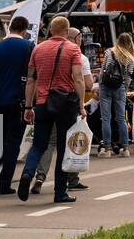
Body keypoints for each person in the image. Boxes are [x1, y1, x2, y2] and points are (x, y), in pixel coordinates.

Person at [17, 16, 86, 204]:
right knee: (63, 148)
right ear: (67, 30)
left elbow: (31, 79)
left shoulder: (38, 49)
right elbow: (78, 78)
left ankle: (27, 174)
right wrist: (81, 104)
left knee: (39, 144)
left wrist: (28, 106)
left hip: (42, 102)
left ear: (51, 30)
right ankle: (59, 192)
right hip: (66, 104)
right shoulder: (73, 49)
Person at [0, 16, 33, 195]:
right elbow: (32, 77)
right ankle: (5, 183)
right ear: (25, 30)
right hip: (18, 102)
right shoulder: (28, 47)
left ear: (9, 28)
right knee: (13, 143)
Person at [96, 32, 134, 157]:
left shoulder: (110, 52)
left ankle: (107, 149)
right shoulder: (130, 58)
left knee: (106, 119)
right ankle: (125, 148)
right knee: (121, 119)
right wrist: (124, 88)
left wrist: (100, 83)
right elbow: (129, 77)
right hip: (120, 88)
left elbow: (104, 69)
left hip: (106, 86)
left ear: (118, 40)